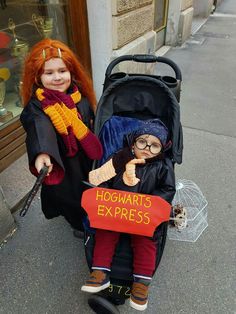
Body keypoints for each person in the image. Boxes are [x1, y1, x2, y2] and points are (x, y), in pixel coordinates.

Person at [81, 119, 176, 311]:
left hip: (143, 217)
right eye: (142, 142)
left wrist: (151, 204)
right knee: (105, 234)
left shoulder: (162, 167)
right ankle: (100, 272)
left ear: (162, 149)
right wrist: (104, 195)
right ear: (133, 142)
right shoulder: (119, 159)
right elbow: (104, 180)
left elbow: (167, 189)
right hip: (115, 212)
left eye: (155, 145)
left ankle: (141, 283)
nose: (147, 148)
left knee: (146, 242)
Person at [20, 39, 103, 233]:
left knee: (91, 189)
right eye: (49, 73)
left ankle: (92, 215)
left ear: (71, 72)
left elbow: (91, 121)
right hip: (64, 161)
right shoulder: (38, 106)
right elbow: (39, 126)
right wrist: (42, 153)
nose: (57, 77)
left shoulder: (79, 96)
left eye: (62, 71)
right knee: (71, 197)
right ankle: (78, 225)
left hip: (85, 156)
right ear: (37, 77)